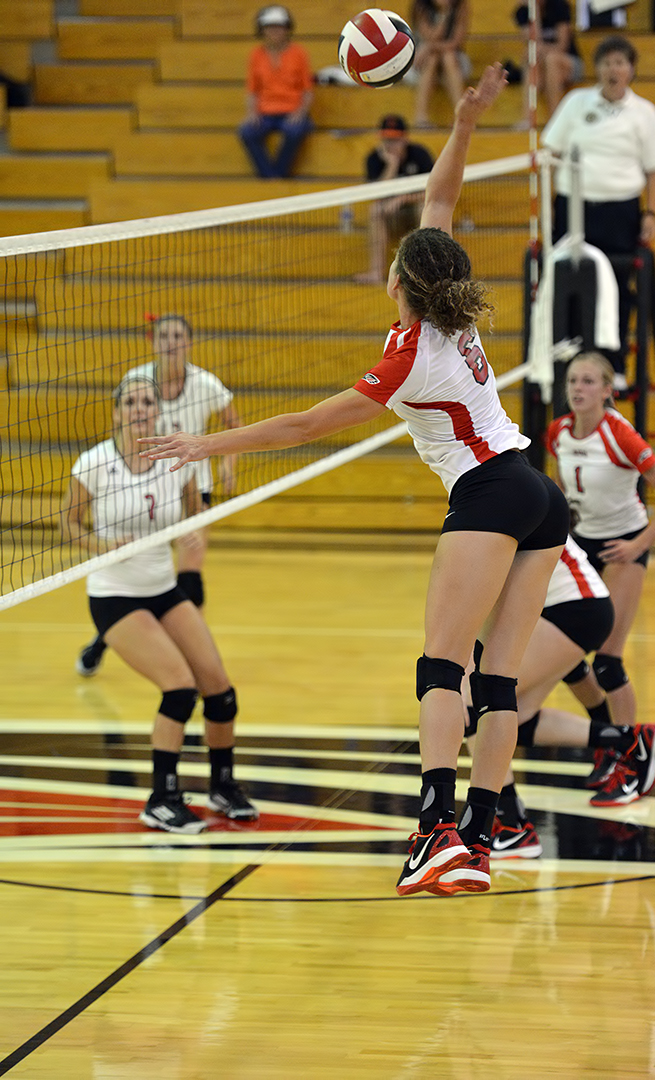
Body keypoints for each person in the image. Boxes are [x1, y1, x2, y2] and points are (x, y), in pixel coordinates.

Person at [139, 64, 571, 900]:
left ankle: (433, 829)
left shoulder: (408, 356)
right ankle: (477, 841)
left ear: (400, 281)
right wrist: (468, 120)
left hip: (487, 494)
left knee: (441, 669)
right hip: (536, 492)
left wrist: (200, 444)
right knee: (498, 681)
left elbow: (304, 426)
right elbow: (438, 202)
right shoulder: (452, 308)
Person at [62, 373, 258, 833]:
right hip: (115, 596)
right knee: (179, 688)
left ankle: (222, 785)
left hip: (163, 588)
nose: (139, 408)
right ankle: (161, 797)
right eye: (130, 402)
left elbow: (195, 511)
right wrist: (99, 546)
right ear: (117, 412)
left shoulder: (177, 460)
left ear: (157, 410)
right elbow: (68, 523)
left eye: (146, 401)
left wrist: (195, 531)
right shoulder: (93, 463)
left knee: (220, 691)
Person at [463, 535, 655, 860]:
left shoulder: (498, 494)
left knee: (472, 701)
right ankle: (629, 739)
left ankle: (511, 825)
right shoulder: (510, 491)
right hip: (569, 608)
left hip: (569, 609)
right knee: (516, 715)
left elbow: (488, 583)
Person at [546, 352, 655, 782]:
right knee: (567, 656)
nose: (578, 388)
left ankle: (630, 756)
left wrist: (639, 545)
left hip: (623, 544)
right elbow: (561, 486)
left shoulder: (620, 435)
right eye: (573, 380)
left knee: (607, 661)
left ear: (608, 391)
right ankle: (608, 736)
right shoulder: (558, 433)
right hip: (580, 543)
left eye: (589, 381)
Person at [76, 314, 238, 677]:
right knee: (133, 577)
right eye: (164, 335)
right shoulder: (138, 382)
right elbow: (119, 428)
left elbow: (233, 422)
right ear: (153, 341)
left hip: (190, 486)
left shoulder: (205, 384)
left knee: (189, 575)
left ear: (189, 342)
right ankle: (106, 638)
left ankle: (191, 652)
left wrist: (229, 463)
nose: (171, 342)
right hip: (139, 483)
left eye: (178, 335)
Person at [541, 35, 655, 384]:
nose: (613, 69)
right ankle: (565, 368)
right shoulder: (576, 102)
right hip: (573, 210)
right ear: (596, 68)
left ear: (630, 70)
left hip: (620, 214)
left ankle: (613, 367)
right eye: (606, 62)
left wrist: (652, 214)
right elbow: (548, 153)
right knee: (567, 284)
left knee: (615, 288)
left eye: (620, 62)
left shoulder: (644, 113)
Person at [355, 115, 434, 285]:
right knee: (375, 210)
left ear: (405, 138)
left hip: (414, 210)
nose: (390, 145)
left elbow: (433, 192)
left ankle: (427, 271)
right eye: (387, 140)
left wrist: (404, 198)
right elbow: (376, 196)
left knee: (424, 208)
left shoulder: (420, 155)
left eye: (395, 140)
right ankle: (376, 271)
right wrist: (392, 165)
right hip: (391, 216)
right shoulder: (374, 159)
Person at [238, 5, 314, 179]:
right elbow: (252, 91)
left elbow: (307, 91)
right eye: (269, 27)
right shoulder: (256, 55)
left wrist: (300, 113)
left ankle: (275, 177)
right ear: (262, 30)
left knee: (294, 130)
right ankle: (272, 177)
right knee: (247, 131)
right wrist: (252, 113)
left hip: (292, 109)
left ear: (287, 29)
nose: (274, 32)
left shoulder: (299, 53)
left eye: (278, 27)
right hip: (265, 112)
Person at [513, 0, 584, 127]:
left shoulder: (559, 6)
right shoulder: (523, 12)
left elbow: (562, 46)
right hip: (544, 67)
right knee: (532, 61)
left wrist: (540, 50)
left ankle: (555, 119)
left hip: (569, 63)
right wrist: (535, 14)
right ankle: (528, 118)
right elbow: (534, 44)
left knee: (551, 59)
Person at [409, 0, 471, 127]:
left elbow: (455, 43)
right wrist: (443, 15)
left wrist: (429, 47)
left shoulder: (461, 5)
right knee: (432, 58)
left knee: (448, 56)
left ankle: (461, 116)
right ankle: (421, 116)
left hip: (454, 60)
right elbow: (431, 36)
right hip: (423, 62)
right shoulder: (420, 6)